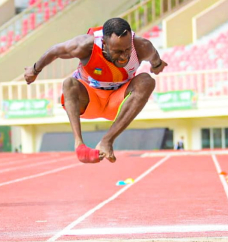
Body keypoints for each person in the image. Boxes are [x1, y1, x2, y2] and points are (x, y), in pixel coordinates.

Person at [24, 18, 167, 163]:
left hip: (117, 104)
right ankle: (79, 145)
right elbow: (54, 51)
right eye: (117, 51)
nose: (124, 56)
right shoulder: (84, 46)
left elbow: (156, 61)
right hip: (90, 100)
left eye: (127, 49)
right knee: (69, 83)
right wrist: (34, 70)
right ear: (104, 43)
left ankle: (107, 141)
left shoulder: (142, 46)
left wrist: (158, 66)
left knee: (146, 81)